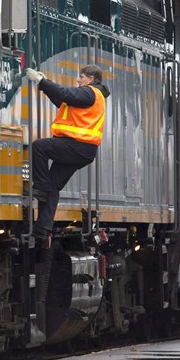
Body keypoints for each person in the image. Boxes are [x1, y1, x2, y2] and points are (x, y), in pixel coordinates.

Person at [24, 64, 110, 239]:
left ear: (90, 79)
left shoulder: (90, 92)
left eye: (81, 76)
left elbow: (65, 93)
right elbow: (62, 100)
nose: (78, 80)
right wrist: (44, 86)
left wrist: (43, 81)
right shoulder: (89, 97)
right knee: (53, 186)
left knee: (38, 147)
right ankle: (43, 227)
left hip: (77, 146)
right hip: (81, 150)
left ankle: (40, 185)